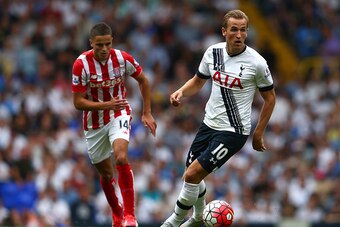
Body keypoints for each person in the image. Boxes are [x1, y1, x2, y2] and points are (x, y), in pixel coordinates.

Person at [161, 9, 276, 227]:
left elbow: (270, 98)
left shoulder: (257, 63)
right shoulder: (212, 53)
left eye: (243, 30)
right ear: (224, 31)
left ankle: (174, 221)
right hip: (208, 124)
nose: (239, 34)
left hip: (234, 131)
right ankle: (197, 218)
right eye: (234, 29)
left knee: (192, 175)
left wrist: (258, 132)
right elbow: (198, 80)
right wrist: (181, 92)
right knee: (192, 175)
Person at [72, 22, 157, 227]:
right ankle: (117, 214)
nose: (103, 49)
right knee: (106, 173)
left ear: (112, 42)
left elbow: (143, 81)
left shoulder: (122, 58)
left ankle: (129, 215)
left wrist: (147, 112)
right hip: (94, 123)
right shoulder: (81, 64)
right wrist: (105, 104)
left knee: (120, 156)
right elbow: (78, 102)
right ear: (91, 43)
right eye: (99, 45)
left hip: (119, 112)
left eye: (107, 44)